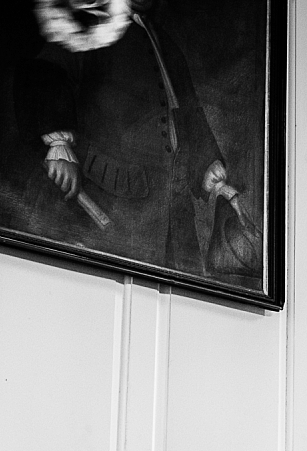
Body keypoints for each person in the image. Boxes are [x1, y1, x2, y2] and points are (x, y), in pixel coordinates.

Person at [13, 0, 231, 272]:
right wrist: (58, 142)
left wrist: (206, 161)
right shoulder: (92, 22)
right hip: (111, 193)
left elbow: (187, 109)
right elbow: (48, 73)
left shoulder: (162, 40)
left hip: (172, 207)